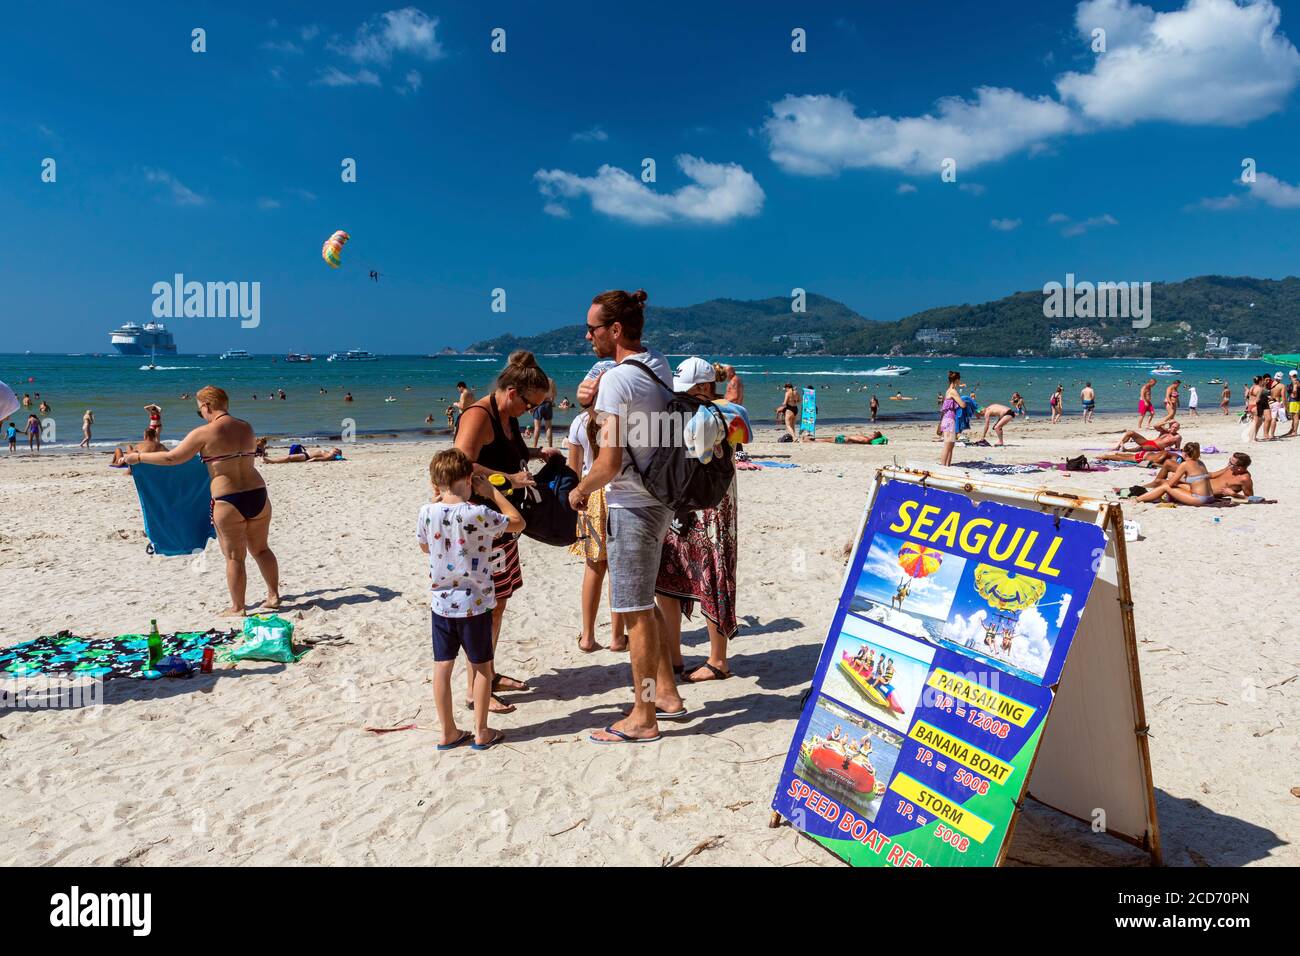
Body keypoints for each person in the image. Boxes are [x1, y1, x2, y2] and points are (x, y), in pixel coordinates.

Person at [568, 288, 683, 743]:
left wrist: (579, 490)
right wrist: (590, 407)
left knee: (634, 611)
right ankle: (667, 697)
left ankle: (644, 714)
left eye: (593, 329)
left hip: (631, 505)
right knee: (645, 605)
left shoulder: (617, 379)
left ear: (615, 330)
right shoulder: (657, 364)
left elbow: (610, 462)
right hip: (659, 498)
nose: (587, 336)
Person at [454, 350, 561, 713]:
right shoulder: (479, 414)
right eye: (530, 404)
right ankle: (474, 688)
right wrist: (509, 478)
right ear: (513, 392)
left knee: (498, 602)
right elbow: (460, 462)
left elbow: (503, 454)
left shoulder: (507, 416)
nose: (531, 411)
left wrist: (534, 452)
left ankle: (488, 672)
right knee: (483, 605)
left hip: (502, 521)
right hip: (479, 524)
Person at [125, 386, 279, 616]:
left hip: (228, 499)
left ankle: (238, 608)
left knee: (235, 556)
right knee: (261, 549)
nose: (201, 414)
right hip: (257, 493)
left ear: (207, 406)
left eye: (200, 410)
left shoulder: (204, 433)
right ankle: (274, 596)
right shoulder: (246, 427)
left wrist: (137, 457)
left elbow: (172, 458)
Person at [417, 448, 524, 752]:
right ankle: (481, 731)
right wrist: (492, 490)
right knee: (480, 667)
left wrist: (436, 502)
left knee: (442, 667)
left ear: (436, 482)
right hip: (475, 604)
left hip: (441, 604)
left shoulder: (426, 511)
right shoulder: (477, 512)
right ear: (468, 478)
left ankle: (448, 731)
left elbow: (425, 547)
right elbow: (518, 522)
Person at [657, 357, 740, 684]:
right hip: (683, 504)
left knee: (713, 574)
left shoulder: (716, 414)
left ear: (705, 388)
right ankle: (674, 655)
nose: (681, 397)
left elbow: (703, 452)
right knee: (669, 573)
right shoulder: (687, 412)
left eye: (688, 391)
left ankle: (718, 660)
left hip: (710, 508)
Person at [566, 359, 623, 654]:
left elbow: (572, 469)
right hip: (618, 493)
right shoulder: (620, 419)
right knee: (618, 569)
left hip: (589, 494)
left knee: (593, 567)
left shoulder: (579, 422)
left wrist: (576, 495)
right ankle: (617, 636)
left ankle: (587, 636)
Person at [1133, 443, 1215, 505]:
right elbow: (1195, 480)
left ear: (1184, 453)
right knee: (1176, 485)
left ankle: (1137, 500)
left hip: (1200, 499)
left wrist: (1168, 478)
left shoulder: (1185, 464)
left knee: (1165, 486)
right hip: (1211, 497)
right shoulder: (1200, 463)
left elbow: (1171, 484)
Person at [939, 371, 962, 466]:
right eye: (959, 379)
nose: (960, 381)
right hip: (949, 420)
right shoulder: (953, 391)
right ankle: (943, 465)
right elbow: (962, 404)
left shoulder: (948, 390)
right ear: (956, 380)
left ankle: (948, 465)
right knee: (948, 444)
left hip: (948, 419)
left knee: (951, 444)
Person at [530, 376, 557, 448]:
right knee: (548, 427)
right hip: (548, 404)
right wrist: (552, 401)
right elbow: (554, 393)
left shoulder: (538, 380)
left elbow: (534, 395)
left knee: (537, 427)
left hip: (539, 404)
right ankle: (550, 446)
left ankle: (535, 446)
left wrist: (531, 407)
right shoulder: (551, 380)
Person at [263, 444, 344, 463]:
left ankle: (270, 461)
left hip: (305, 456)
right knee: (288, 457)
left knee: (288, 458)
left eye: (336, 449)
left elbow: (320, 459)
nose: (334, 448)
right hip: (305, 454)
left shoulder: (330, 455)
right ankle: (270, 460)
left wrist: (309, 461)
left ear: (336, 452)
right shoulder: (328, 453)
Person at [1286, 371, 1300, 437]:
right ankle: (1292, 430)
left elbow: (1294, 390)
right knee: (1294, 416)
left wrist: (1293, 394)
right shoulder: (1296, 381)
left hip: (1295, 400)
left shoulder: (1295, 381)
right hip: (1294, 401)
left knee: (1295, 416)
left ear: (1290, 375)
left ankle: (1295, 431)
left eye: (1289, 375)